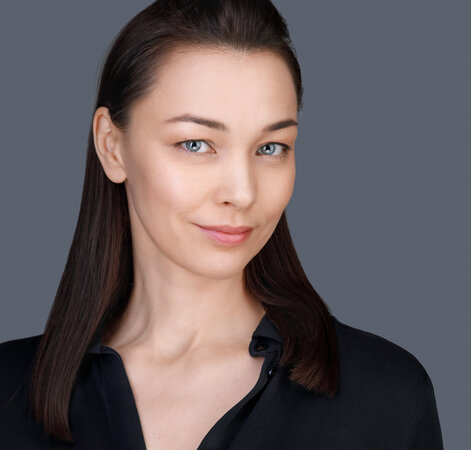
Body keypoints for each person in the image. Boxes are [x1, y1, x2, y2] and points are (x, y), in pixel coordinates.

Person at [0, 1, 444, 448]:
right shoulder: (8, 393)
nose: (243, 192)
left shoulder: (386, 397)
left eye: (270, 148)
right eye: (196, 144)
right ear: (112, 146)